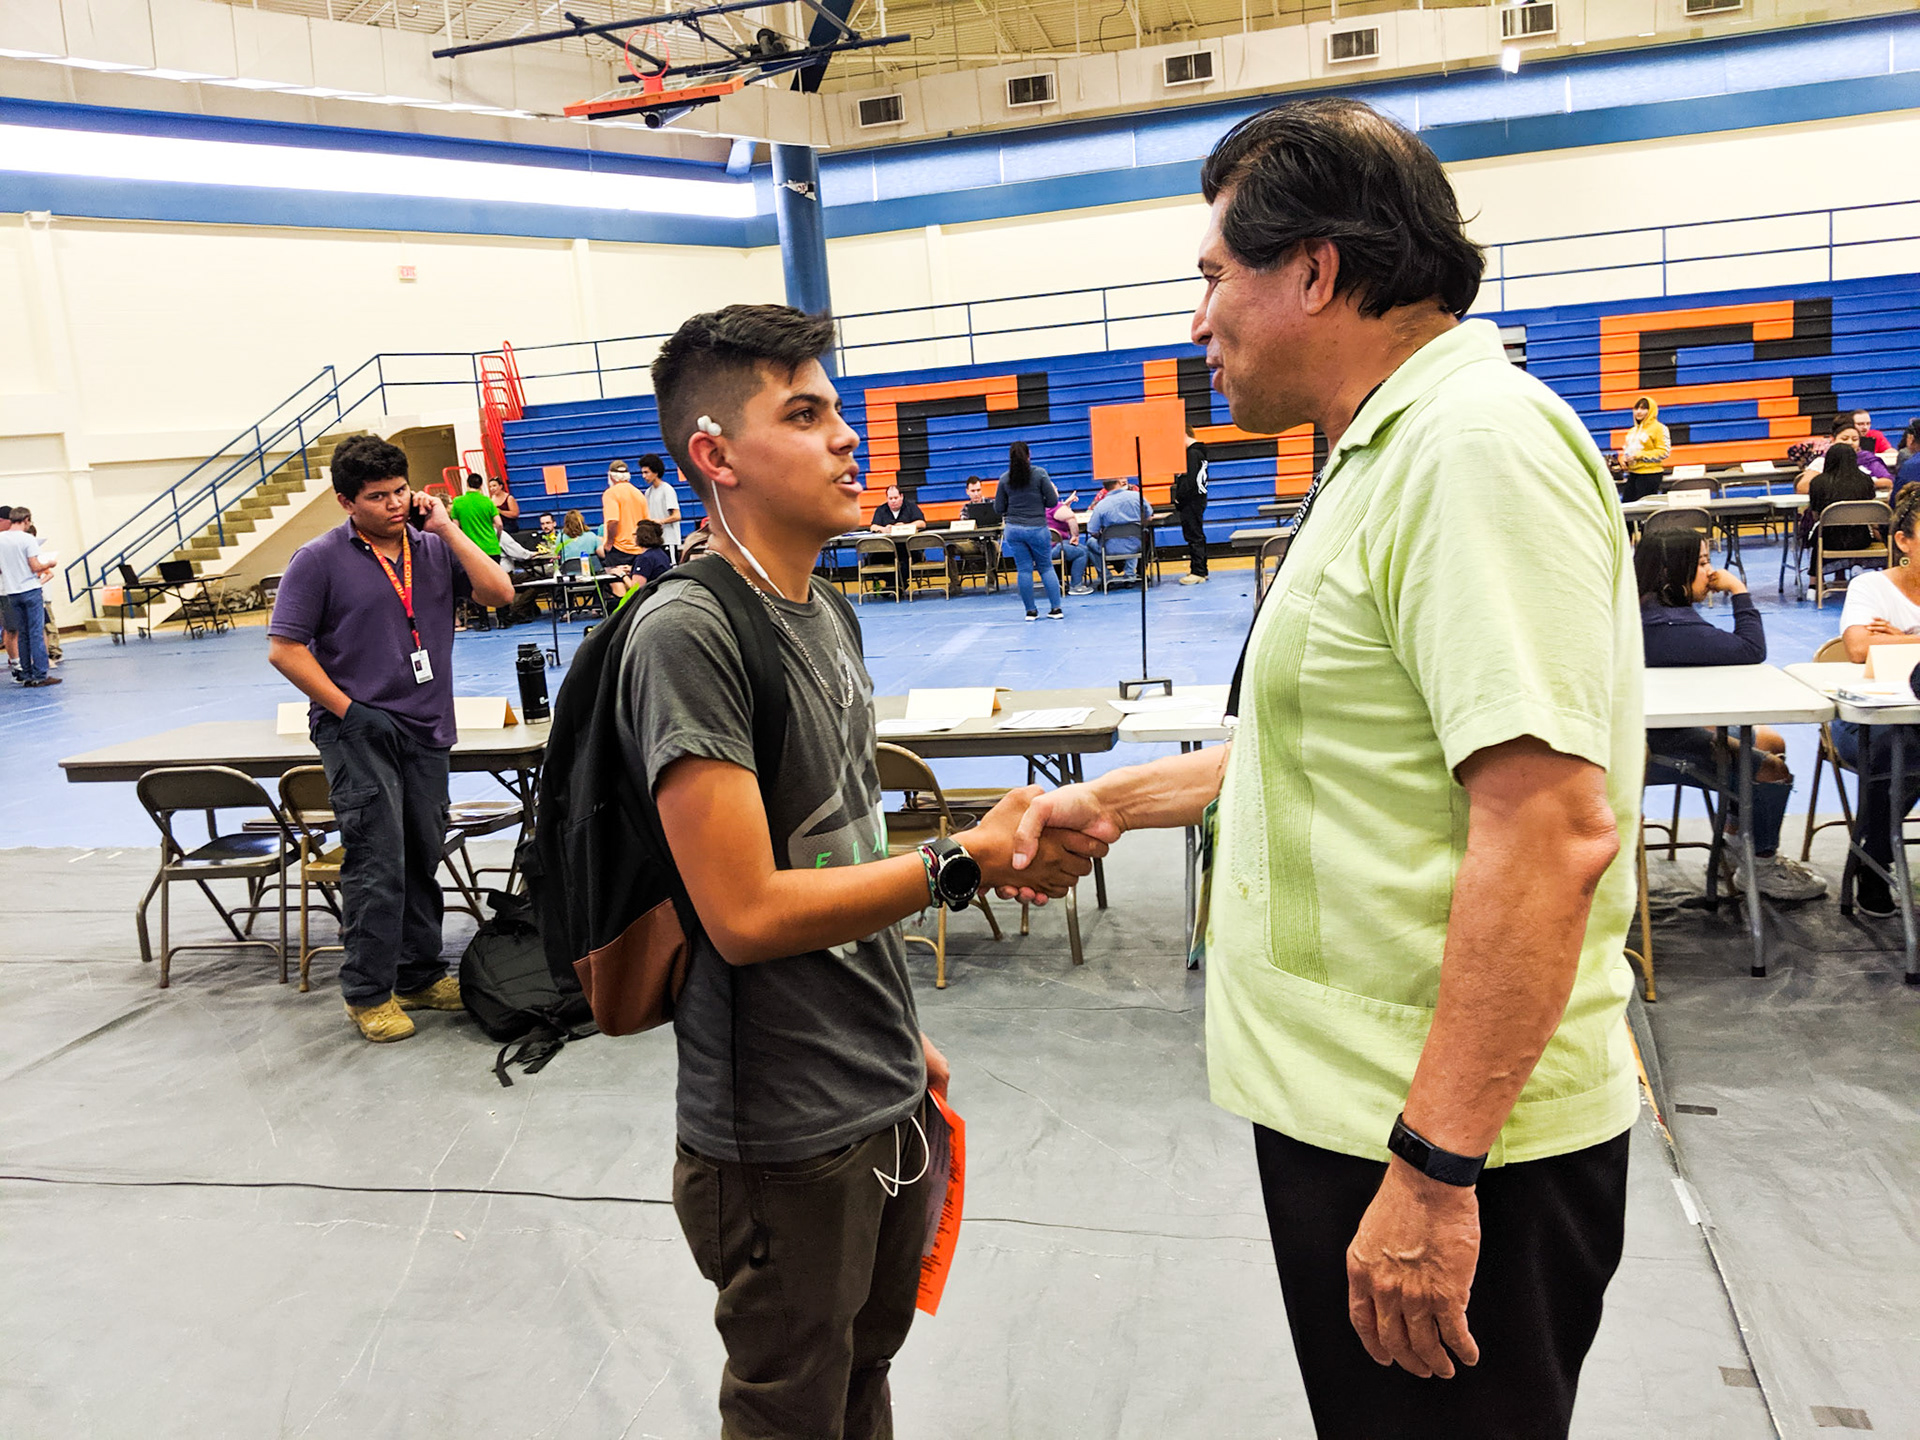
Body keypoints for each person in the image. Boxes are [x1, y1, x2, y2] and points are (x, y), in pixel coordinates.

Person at [1004, 98, 1644, 1439]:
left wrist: (1432, 1170)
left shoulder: (1473, 452)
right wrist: (1108, 801)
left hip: (1438, 1136)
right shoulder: (1385, 451)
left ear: (1316, 271)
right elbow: (1330, 749)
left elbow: (1548, 834)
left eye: (1213, 277)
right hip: (1364, 1114)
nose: (1198, 321)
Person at [627, 303, 1100, 1438]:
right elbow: (742, 913)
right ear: (716, 457)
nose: (849, 436)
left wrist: (895, 1023)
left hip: (877, 1083)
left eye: (838, 408)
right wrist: (958, 864)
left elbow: (828, 849)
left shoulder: (826, 612)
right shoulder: (690, 634)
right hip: (782, 1131)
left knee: (861, 1383)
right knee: (794, 1408)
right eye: (805, 414)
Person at [267, 434, 515, 1042]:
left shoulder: (431, 549)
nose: (394, 504)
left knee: (422, 854)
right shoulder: (318, 560)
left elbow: (500, 594)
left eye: (401, 491)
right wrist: (349, 710)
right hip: (358, 731)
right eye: (378, 497)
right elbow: (285, 649)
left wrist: (451, 530)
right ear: (346, 501)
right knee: (377, 860)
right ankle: (367, 991)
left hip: (427, 727)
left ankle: (419, 974)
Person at [1636, 530, 1825, 901]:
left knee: (1770, 740)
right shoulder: (1670, 624)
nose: (1710, 572)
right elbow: (1751, 648)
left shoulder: (1642, 608)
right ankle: (1762, 865)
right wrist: (1739, 590)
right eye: (1703, 563)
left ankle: (1737, 839)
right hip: (1648, 749)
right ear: (1669, 572)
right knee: (1771, 769)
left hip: (1649, 729)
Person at [1834, 483, 1920, 917]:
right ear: (1903, 542)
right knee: (1902, 750)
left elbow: (1886, 646)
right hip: (1864, 718)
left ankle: (1874, 852)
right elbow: (1859, 649)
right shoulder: (1871, 586)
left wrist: (1905, 640)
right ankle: (1876, 859)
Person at [992, 441, 1063, 620]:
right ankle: (1056, 609)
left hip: (1014, 529)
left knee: (1024, 570)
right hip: (1037, 527)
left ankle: (1030, 611)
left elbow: (999, 507)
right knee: (1046, 567)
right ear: (1029, 455)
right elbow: (1053, 501)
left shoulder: (1004, 479)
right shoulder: (1040, 474)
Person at [0, 504, 59, 688]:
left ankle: (25, 673)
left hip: (11, 591)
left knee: (22, 633)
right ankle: (40, 674)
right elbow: (35, 566)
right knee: (36, 632)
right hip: (29, 589)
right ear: (26, 520)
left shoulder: (1, 539)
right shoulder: (27, 539)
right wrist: (50, 562)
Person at [447, 472, 512, 629]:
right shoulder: (488, 502)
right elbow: (499, 523)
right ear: (481, 485)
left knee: (477, 585)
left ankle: (484, 622)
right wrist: (496, 538)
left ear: (467, 484)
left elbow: (455, 526)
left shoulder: (458, 502)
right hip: (491, 547)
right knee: (496, 582)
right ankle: (502, 619)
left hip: (472, 550)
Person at [1798, 419, 1891, 491]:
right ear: (1833, 441)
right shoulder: (1821, 461)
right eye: (1844, 439)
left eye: (1855, 439)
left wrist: (1862, 484)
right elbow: (1803, 487)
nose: (1850, 442)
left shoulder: (1867, 458)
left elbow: (1888, 482)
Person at [1086, 475, 1149, 581]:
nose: (1124, 480)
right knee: (1137, 536)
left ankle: (1105, 576)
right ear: (1117, 483)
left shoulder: (1101, 505)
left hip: (1109, 546)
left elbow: (1092, 530)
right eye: (1121, 478)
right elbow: (1149, 514)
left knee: (1090, 543)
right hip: (1134, 542)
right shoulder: (1136, 495)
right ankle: (1130, 575)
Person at [1171, 425, 1211, 584]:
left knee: (1194, 535)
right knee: (1195, 534)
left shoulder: (1192, 454)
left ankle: (1198, 571)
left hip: (1192, 500)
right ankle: (1200, 570)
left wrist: (1179, 498)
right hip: (1196, 499)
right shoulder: (1197, 453)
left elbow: (1190, 481)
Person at [1615, 395, 1670, 502]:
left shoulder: (1659, 428)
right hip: (1633, 474)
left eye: (1643, 408)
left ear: (1651, 410)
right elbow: (1628, 450)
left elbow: (1664, 452)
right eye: (1636, 408)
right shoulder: (1632, 431)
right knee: (1627, 507)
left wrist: (1639, 456)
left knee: (1643, 508)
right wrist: (1624, 460)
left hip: (1650, 474)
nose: (1639, 412)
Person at [602, 459, 649, 568]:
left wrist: (609, 542)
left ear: (611, 476)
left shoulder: (610, 493)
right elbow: (646, 522)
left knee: (617, 581)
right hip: (638, 547)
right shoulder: (638, 494)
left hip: (619, 548)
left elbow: (613, 520)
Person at [639, 453, 684, 557]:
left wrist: (661, 521)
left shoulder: (667, 490)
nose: (644, 476)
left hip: (669, 540)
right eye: (642, 473)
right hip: (656, 541)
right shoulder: (648, 492)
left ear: (655, 472)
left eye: (647, 472)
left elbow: (677, 515)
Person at [1048, 492, 1093, 594]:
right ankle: (1076, 585)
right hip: (1056, 547)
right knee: (1082, 552)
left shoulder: (1037, 506)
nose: (1056, 489)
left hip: (1039, 550)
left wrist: (1066, 504)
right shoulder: (1055, 506)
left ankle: (1059, 582)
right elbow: (1071, 518)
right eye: (1054, 488)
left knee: (1073, 548)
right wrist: (1075, 536)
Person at [627, 518, 673, 586]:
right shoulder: (661, 554)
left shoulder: (644, 558)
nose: (633, 537)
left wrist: (622, 575)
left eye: (635, 534)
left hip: (650, 595)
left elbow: (635, 589)